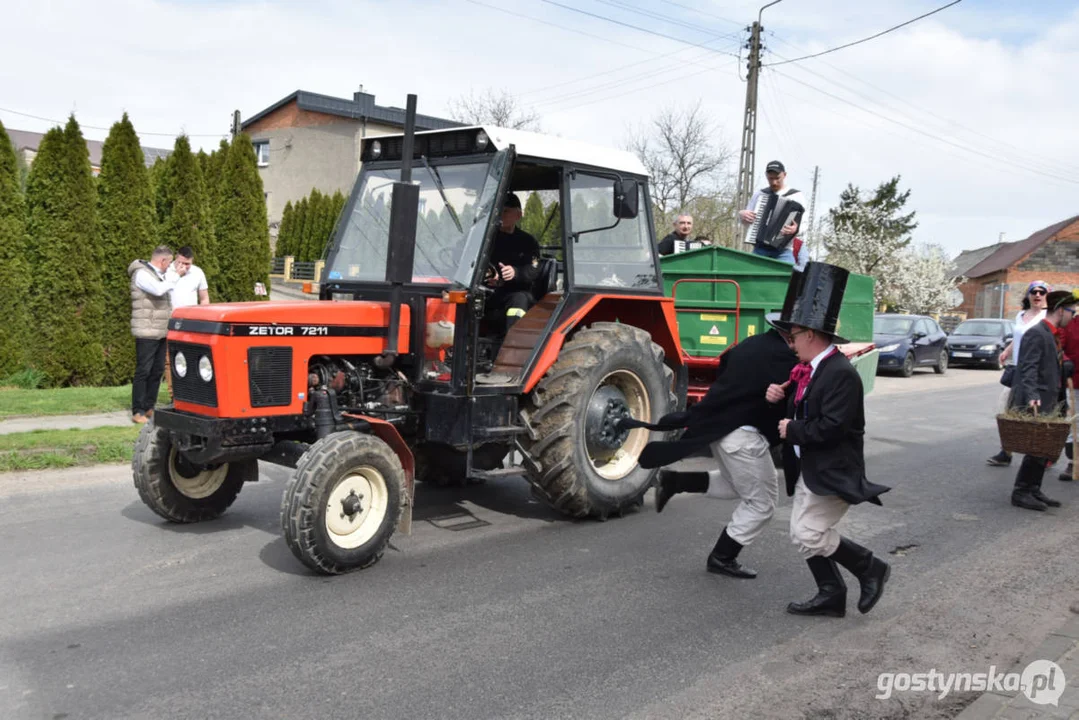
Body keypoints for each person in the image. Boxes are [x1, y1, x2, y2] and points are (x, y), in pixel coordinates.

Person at [619, 314, 798, 578]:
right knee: (763, 504)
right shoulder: (785, 358)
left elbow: (725, 365)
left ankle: (676, 482)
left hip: (723, 431)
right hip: (743, 437)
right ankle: (723, 557)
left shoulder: (753, 344)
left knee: (734, 485)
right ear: (794, 334)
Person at [766, 262, 891, 617]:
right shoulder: (809, 370)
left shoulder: (841, 374)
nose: (789, 344)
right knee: (802, 533)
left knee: (808, 533)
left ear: (809, 334)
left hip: (834, 468)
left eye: (792, 336)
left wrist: (793, 430)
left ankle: (870, 568)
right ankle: (832, 593)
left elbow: (832, 426)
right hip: (811, 466)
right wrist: (778, 396)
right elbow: (803, 408)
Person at [1008, 289, 1078, 511]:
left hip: (1050, 398)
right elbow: (1027, 368)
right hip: (1037, 400)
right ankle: (1021, 492)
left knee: (1043, 447)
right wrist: (1032, 397)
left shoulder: (1053, 333)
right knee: (1036, 447)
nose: (1073, 317)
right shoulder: (1036, 333)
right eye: (1072, 312)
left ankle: (1033, 489)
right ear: (1060, 310)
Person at [987, 280, 1050, 466]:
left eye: (1042, 292)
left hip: (1037, 371)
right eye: (1034, 292)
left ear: (1047, 295)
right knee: (1010, 411)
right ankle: (1006, 452)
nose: (1037, 295)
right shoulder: (1021, 315)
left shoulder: (1047, 316)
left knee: (1036, 413)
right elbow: (1018, 337)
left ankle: (1042, 454)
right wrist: (1007, 350)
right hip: (1017, 368)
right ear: (1028, 295)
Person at [128, 245, 176, 424]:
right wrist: (175, 277)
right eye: (169, 262)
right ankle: (137, 410)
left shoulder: (158, 274)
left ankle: (149, 407)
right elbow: (157, 290)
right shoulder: (141, 274)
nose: (169, 266)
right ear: (162, 260)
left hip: (161, 329)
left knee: (157, 371)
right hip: (147, 330)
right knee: (144, 370)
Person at [485, 193, 540, 336]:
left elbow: (533, 270)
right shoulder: (485, 239)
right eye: (499, 211)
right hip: (488, 291)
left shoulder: (528, 242)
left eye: (506, 211)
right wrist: (487, 275)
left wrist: (516, 272)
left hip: (515, 292)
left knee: (519, 300)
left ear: (518, 215)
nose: (501, 215)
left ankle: (513, 343)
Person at [738, 161, 806, 265]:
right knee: (752, 279)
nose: (774, 182)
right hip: (760, 250)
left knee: (787, 279)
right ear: (766, 176)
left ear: (784, 175)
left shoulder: (796, 195)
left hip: (784, 251)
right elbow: (747, 222)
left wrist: (796, 229)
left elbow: (805, 224)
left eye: (777, 178)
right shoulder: (760, 194)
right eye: (770, 178)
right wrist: (742, 215)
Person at [1059, 310, 1079, 481]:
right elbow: (1059, 345)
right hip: (1076, 383)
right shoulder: (1070, 324)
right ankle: (1074, 462)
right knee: (1074, 422)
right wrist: (1065, 360)